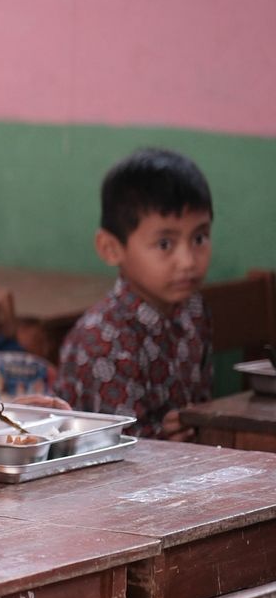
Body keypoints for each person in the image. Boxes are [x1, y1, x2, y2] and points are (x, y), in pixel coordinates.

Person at [54, 148, 213, 440]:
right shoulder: (103, 340)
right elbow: (113, 444)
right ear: (111, 249)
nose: (188, 261)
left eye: (199, 238)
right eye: (165, 244)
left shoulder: (193, 310)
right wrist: (164, 436)